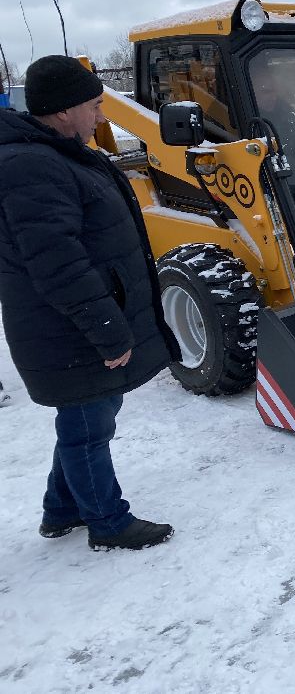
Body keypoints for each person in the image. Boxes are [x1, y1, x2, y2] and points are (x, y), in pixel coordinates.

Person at [0, 55, 180, 550]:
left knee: (87, 416)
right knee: (87, 426)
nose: (101, 116)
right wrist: (107, 328)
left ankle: (60, 510)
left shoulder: (57, 154)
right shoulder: (31, 165)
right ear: (62, 111)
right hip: (70, 330)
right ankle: (107, 521)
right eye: (95, 105)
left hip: (78, 323)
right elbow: (57, 263)